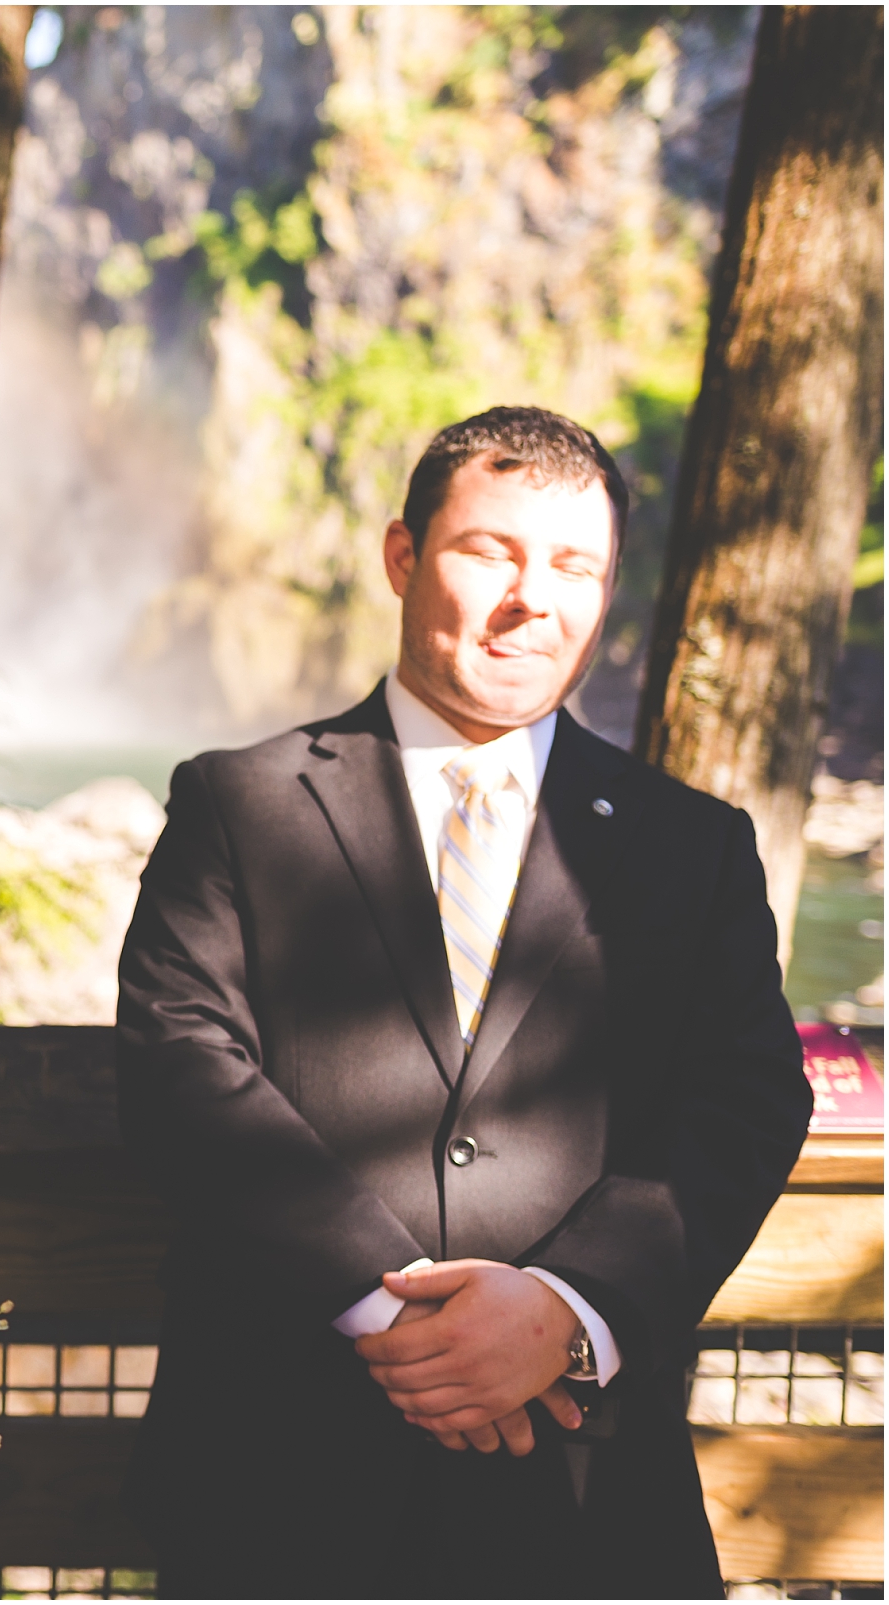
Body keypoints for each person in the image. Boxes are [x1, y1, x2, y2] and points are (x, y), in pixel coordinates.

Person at [115, 406, 813, 1598]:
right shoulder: (240, 802)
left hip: (579, 1477)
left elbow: (747, 1097)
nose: (530, 599)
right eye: (490, 551)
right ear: (403, 557)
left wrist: (569, 1305)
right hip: (281, 1476)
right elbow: (181, 1064)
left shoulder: (691, 846)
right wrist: (388, 1315)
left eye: (574, 566)